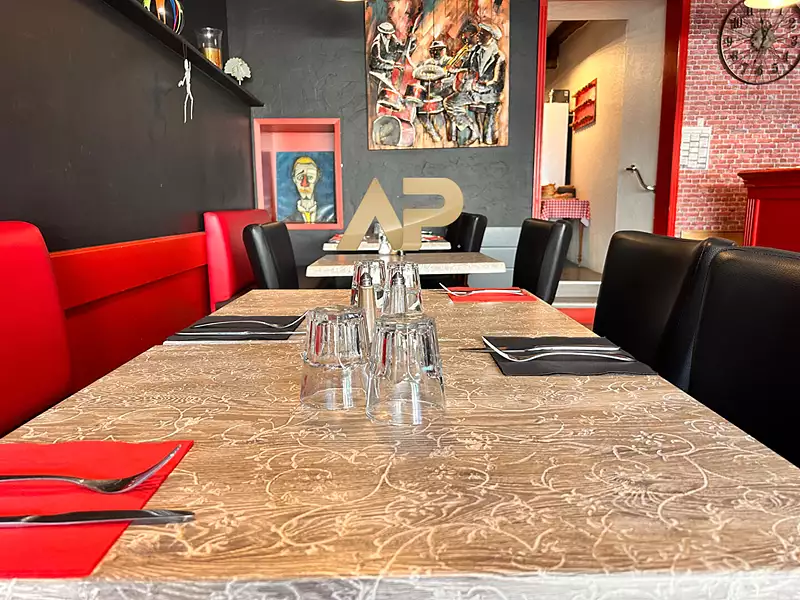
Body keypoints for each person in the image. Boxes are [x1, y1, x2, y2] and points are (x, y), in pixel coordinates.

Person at [467, 23, 506, 145]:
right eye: (480, 32)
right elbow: (470, 70)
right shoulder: (475, 52)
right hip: (476, 90)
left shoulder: (498, 56)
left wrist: (484, 86)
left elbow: (498, 81)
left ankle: (488, 138)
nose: (478, 35)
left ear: (491, 36)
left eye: (483, 33)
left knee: (490, 116)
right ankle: (475, 134)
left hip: (491, 93)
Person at [285, 157, 335, 224]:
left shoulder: (330, 215)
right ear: (294, 179)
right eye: (300, 177)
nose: (305, 184)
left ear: (317, 177)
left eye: (310, 177)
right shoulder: (288, 221)